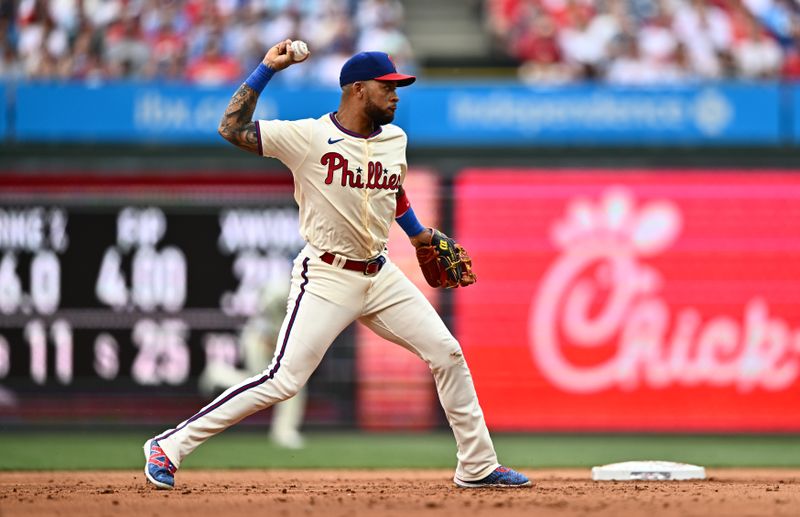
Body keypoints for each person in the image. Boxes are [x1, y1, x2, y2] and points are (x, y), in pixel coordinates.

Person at [143, 39, 531, 490]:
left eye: (398, 87)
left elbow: (393, 191)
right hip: (326, 274)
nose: (396, 95)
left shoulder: (395, 139)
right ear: (358, 90)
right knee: (282, 379)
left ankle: (477, 464)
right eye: (387, 87)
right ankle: (168, 446)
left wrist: (418, 233)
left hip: (380, 273)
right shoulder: (306, 137)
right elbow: (231, 128)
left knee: (447, 353)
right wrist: (267, 68)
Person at [198, 279, 307, 449]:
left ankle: (284, 431)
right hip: (259, 340)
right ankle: (218, 373)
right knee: (262, 384)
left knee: (289, 383)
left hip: (274, 340)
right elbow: (263, 319)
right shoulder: (279, 290)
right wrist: (271, 339)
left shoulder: (308, 290)